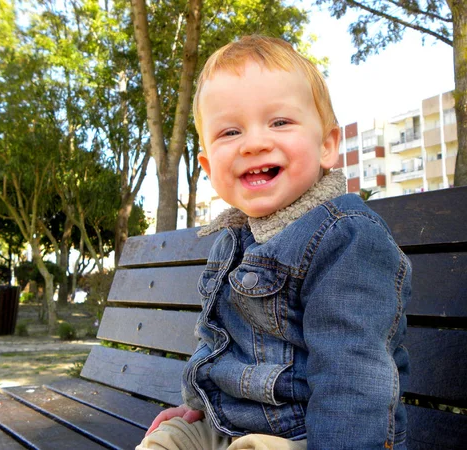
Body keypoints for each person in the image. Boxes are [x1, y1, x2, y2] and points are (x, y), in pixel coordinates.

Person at [137, 34, 411, 450]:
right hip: (227, 423)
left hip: (306, 434)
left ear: (327, 145)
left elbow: (355, 375)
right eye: (230, 131)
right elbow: (216, 340)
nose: (254, 142)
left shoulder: (346, 237)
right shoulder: (234, 239)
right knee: (166, 441)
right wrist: (196, 405)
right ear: (210, 165)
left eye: (280, 122)